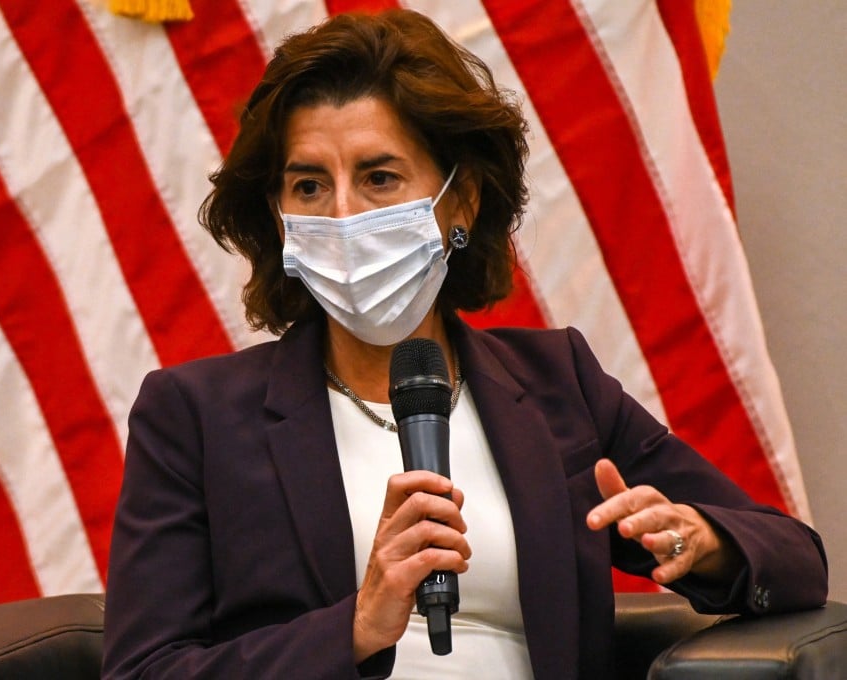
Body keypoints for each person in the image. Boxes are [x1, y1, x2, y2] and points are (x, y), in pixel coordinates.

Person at [101, 9, 827, 679]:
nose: (344, 213)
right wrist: (354, 628)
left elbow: (795, 558)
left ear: (462, 201)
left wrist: (698, 538)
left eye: (379, 177)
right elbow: (142, 669)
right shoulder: (194, 417)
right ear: (278, 214)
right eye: (310, 185)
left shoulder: (556, 385)